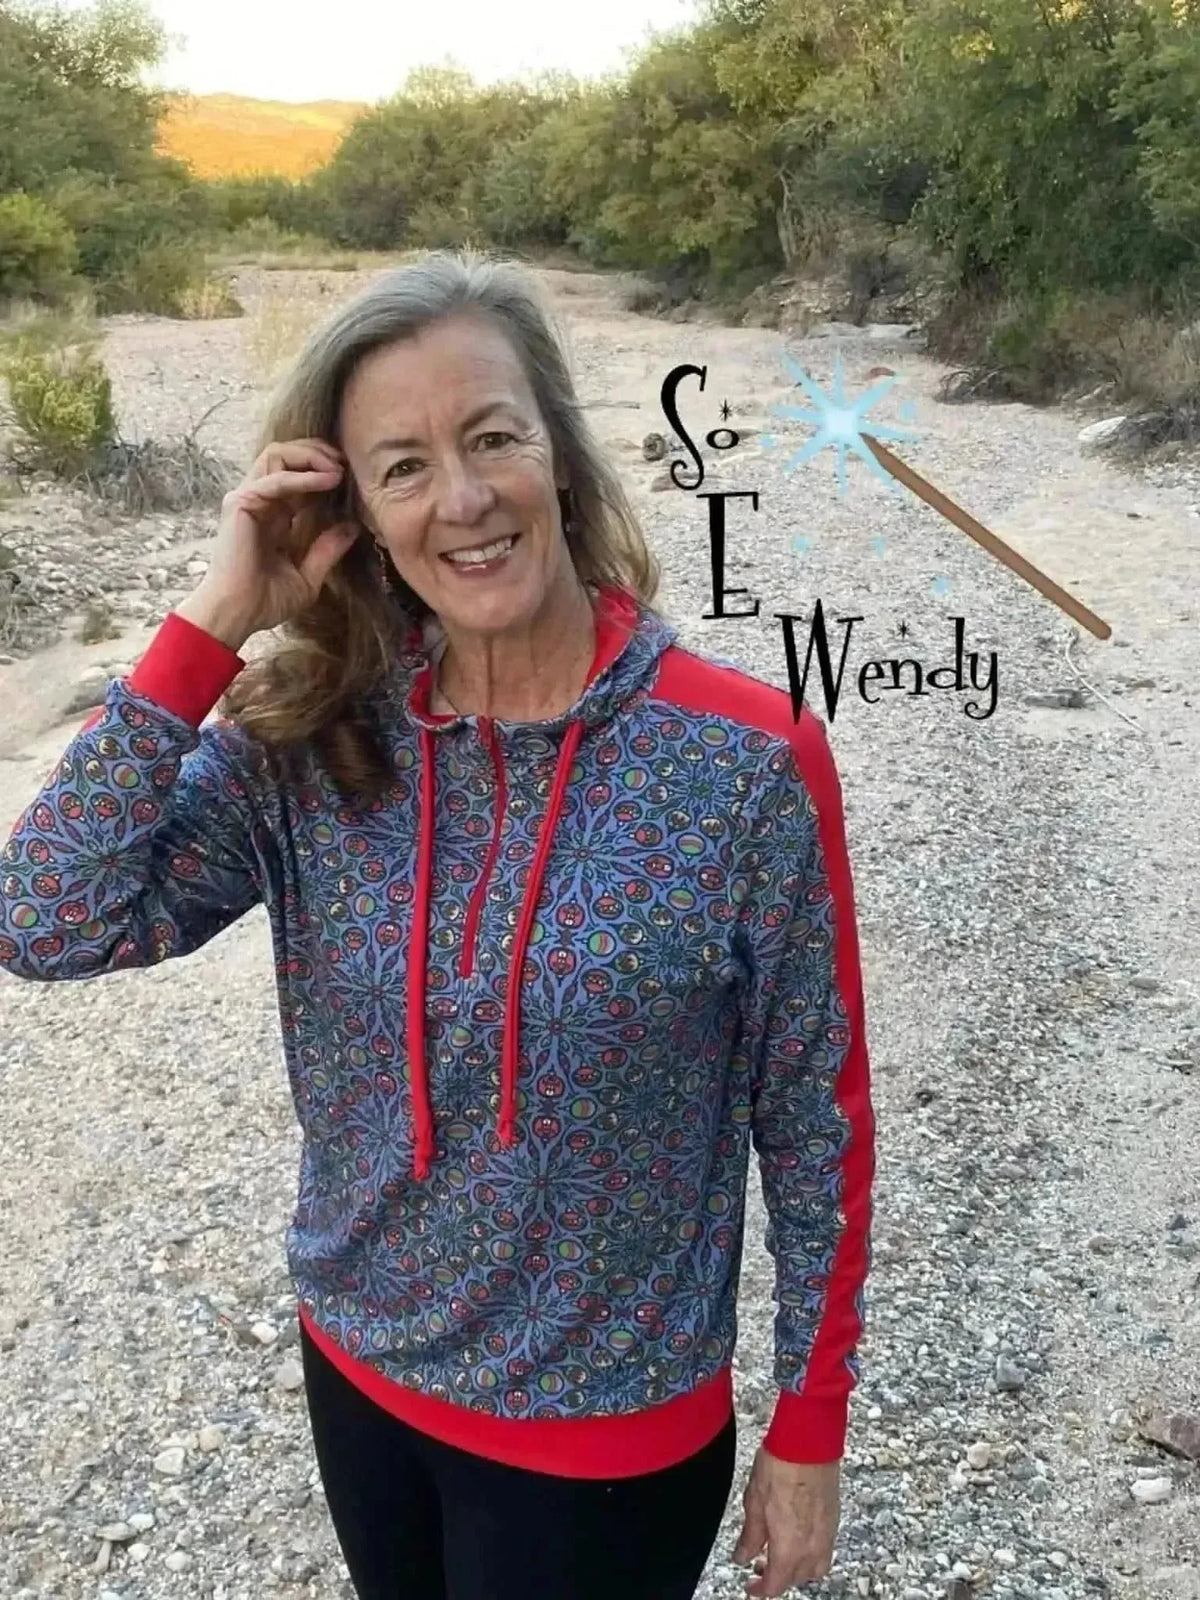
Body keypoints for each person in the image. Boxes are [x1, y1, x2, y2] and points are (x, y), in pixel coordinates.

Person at [0, 249, 875, 1600]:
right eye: (402, 466)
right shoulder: (311, 742)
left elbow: (816, 1110)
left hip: (607, 1433)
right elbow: (44, 919)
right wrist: (217, 618)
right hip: (360, 1376)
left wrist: (810, 1425)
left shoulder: (746, 760)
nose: (462, 499)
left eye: (492, 437)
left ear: (561, 456)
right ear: (352, 511)